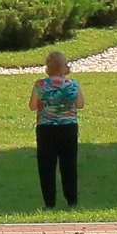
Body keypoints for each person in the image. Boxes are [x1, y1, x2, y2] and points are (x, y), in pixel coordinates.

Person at [30, 51, 82, 209]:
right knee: (69, 164)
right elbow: (80, 104)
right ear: (62, 67)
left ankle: (49, 202)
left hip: (46, 128)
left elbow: (32, 106)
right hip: (68, 128)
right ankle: (72, 200)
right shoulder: (72, 85)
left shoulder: (40, 85)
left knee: (46, 166)